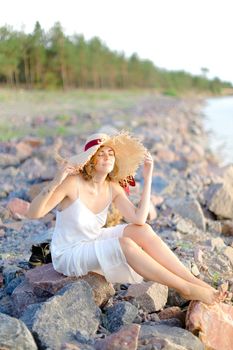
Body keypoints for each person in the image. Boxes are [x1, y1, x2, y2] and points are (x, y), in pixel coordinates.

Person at [27, 131, 223, 305]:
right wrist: (55, 181)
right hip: (68, 252)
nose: (107, 157)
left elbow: (139, 220)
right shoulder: (72, 183)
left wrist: (148, 178)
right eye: (100, 153)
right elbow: (34, 213)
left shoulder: (112, 187)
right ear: (89, 160)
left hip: (93, 239)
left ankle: (197, 283)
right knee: (126, 244)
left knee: (142, 231)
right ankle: (185, 289)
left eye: (110, 153)